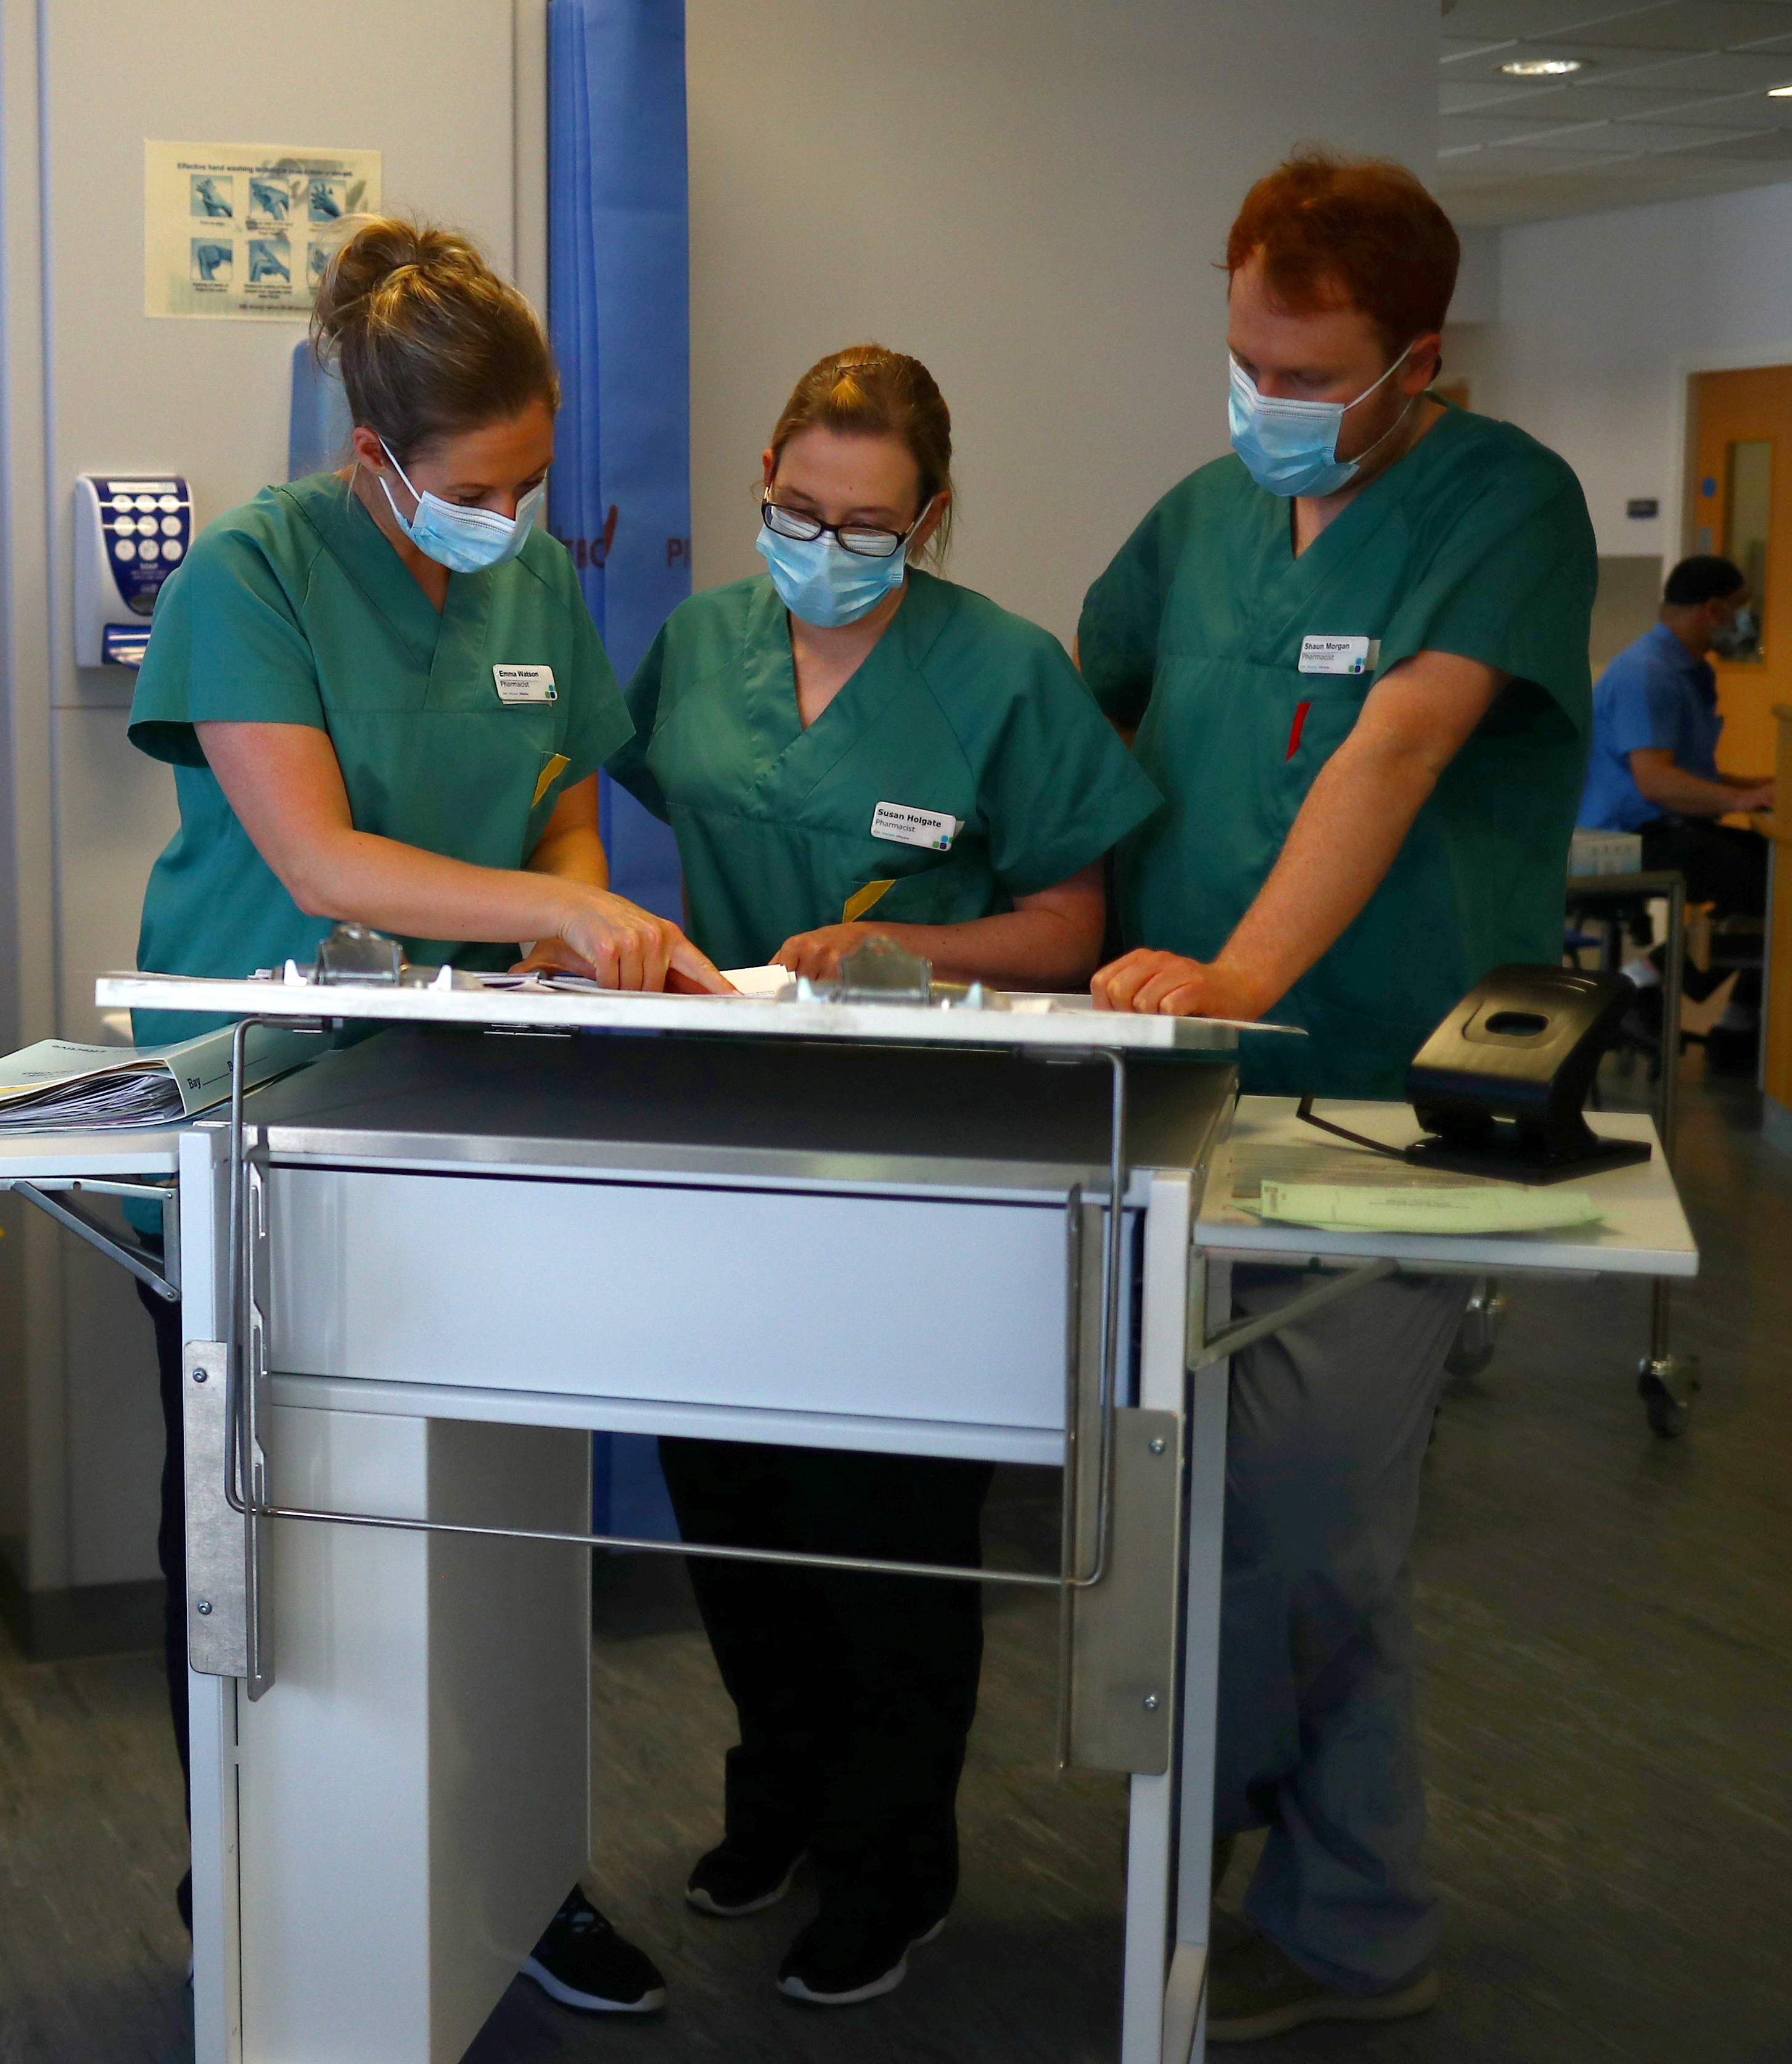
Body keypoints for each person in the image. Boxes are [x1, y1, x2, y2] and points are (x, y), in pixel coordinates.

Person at [126, 216, 717, 2017]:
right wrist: (555, 914)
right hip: (269, 1102)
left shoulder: (528, 579)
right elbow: (314, 855)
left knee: (498, 1521)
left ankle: (511, 1867)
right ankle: (254, 1864)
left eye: (537, 478)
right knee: (266, 1529)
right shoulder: (253, 571)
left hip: (475, 1102)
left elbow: (557, 799)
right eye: (482, 483)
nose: (517, 515)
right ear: (374, 454)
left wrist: (575, 909)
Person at [1079, 153, 1597, 2041]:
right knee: (1224, 1513)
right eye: (1245, 363)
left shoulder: (1505, 504)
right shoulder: (1203, 516)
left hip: (1386, 1085)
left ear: (1419, 362)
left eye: (1309, 378)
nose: (1267, 407)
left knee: (1311, 1518)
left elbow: (1392, 748)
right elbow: (1094, 730)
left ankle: (1295, 1873)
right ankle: (1343, 1906)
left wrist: (1237, 976)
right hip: (1171, 1086)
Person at [610, 344, 1156, 2009]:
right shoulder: (703, 641)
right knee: (736, 1501)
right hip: (724, 1132)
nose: (831, 545)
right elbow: (634, 806)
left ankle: (889, 1861)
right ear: (765, 472)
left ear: (930, 517)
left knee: (887, 1532)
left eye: (872, 525)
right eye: (801, 510)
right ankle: (770, 1804)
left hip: (925, 1154)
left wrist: (896, 943)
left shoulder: (999, 670)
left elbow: (1070, 924)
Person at [1577, 553, 1773, 1060]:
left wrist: (1755, 784)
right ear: (1713, 610)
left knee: (1774, 873)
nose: (1749, 621)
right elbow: (1657, 780)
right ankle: (1639, 985)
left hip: (1660, 826)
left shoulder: (1685, 670)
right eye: (1742, 608)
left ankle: (1733, 1025)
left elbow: (1687, 771)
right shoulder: (1649, 673)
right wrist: (1741, 799)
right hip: (1621, 839)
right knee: (1768, 883)